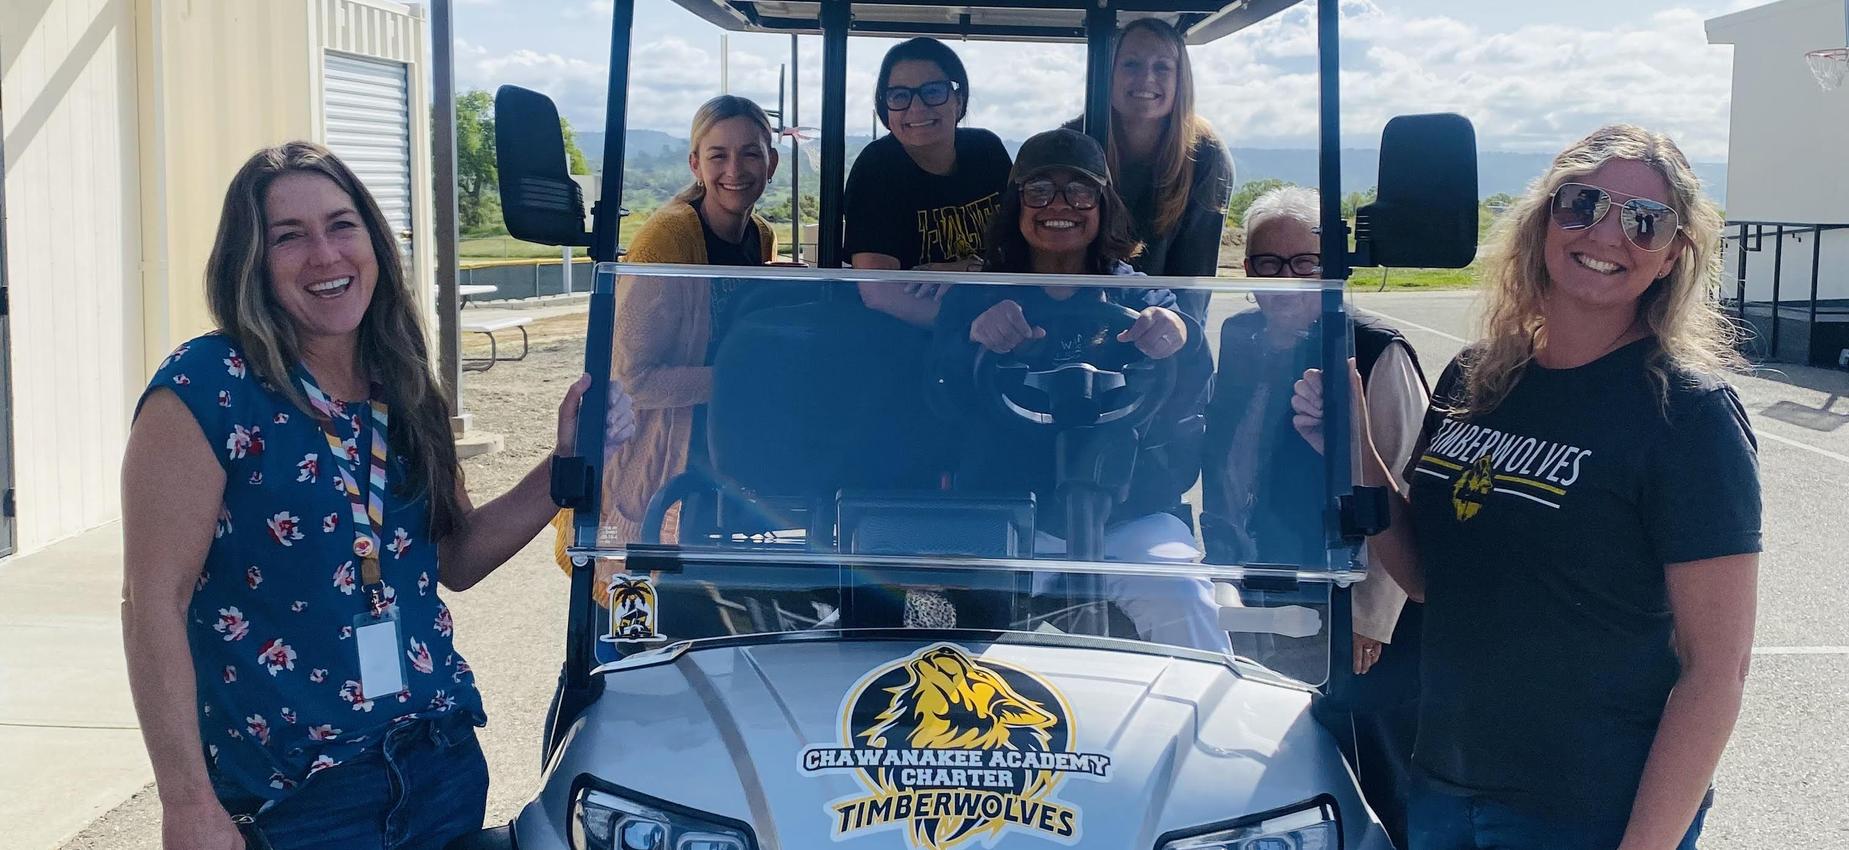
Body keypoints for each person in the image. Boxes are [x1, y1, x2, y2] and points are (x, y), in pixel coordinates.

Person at [120, 142, 636, 850]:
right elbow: (154, 599)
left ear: (373, 241)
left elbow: (455, 557)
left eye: (341, 225)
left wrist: (565, 462)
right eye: (288, 236)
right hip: (298, 796)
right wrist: (187, 804)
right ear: (250, 261)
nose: (325, 256)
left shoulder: (403, 381)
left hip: (439, 765)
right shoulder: (207, 386)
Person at [1291, 125, 1760, 850]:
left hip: (1587, 808)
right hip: (1443, 783)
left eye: (1644, 221)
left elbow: (1714, 674)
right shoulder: (1477, 379)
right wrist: (1357, 453)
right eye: (1582, 204)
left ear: (1672, 254)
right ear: (1543, 218)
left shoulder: (1687, 415)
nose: (1607, 233)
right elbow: (1425, 581)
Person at [933, 128, 1222, 652]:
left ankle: (1203, 729)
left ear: (1103, 205)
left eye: (1080, 191)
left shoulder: (1142, 294)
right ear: (1016, 205)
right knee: (963, 638)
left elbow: (1191, 383)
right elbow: (939, 396)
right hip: (1012, 518)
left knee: (1183, 596)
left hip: (1128, 512)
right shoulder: (975, 298)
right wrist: (973, 339)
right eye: (1039, 191)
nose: (1059, 205)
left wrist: (1178, 335)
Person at [1204, 185, 1428, 847]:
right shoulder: (1240, 335)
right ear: (1246, 275)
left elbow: (1402, 482)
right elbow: (1226, 455)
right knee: (1271, 750)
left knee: (1363, 762)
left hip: (1345, 603)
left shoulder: (1374, 349)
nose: (1285, 279)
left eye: (1304, 263)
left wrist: (1369, 614)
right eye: (1267, 264)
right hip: (1262, 578)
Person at [550, 95, 781, 566]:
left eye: (751, 152)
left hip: (720, 457)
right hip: (660, 459)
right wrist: (743, 380)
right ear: (696, 163)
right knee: (645, 611)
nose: (735, 169)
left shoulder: (760, 235)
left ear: (771, 161)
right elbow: (633, 379)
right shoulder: (668, 240)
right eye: (718, 155)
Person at [1067, 18, 1232, 324]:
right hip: (1080, 314)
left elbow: (1194, 278)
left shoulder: (1205, 155)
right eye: (1131, 64)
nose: (1146, 78)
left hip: (1164, 322)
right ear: (1109, 73)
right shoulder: (1074, 143)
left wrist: (1181, 345)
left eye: (1162, 67)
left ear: (1181, 79)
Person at [844, 37, 1014, 327]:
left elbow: (1018, 246)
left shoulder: (987, 152)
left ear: (958, 100)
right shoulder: (877, 170)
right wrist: (967, 327)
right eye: (899, 96)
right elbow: (879, 292)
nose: (917, 108)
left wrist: (971, 269)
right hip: (908, 335)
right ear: (885, 108)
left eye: (932, 91)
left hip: (1001, 312)